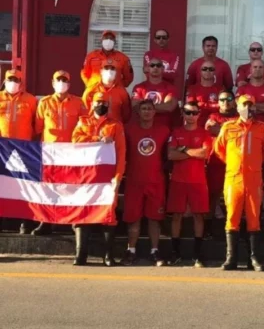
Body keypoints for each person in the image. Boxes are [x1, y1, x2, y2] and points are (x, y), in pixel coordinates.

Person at [214, 94, 264, 271]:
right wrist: (235, 165)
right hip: (234, 179)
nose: (247, 107)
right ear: (237, 107)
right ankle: (231, 258)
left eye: (250, 104)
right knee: (232, 217)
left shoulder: (262, 128)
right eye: (244, 104)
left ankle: (254, 258)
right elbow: (219, 150)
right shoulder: (228, 127)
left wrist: (251, 165)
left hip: (254, 179)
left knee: (254, 218)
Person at [71, 92, 126, 266]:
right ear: (91, 104)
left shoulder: (115, 125)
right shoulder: (83, 122)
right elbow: (75, 141)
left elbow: (121, 153)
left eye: (103, 102)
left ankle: (108, 256)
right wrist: (98, 138)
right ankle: (81, 255)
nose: (100, 105)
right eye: (98, 102)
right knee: (82, 214)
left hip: (106, 178)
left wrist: (118, 176)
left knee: (108, 215)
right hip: (85, 178)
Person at [32, 70, 87, 236]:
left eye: (65, 80)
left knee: (71, 188)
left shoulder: (79, 102)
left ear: (69, 84)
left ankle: (72, 222)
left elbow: (85, 126)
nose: (62, 83)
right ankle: (46, 222)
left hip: (72, 151)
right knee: (48, 188)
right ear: (53, 83)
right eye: (59, 80)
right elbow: (38, 128)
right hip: (50, 153)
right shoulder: (44, 103)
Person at [120, 100, 170, 267]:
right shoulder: (129, 129)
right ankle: (131, 250)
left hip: (156, 181)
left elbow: (167, 156)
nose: (147, 112)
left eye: (150, 109)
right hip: (134, 181)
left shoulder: (163, 131)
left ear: (155, 112)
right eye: (144, 109)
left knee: (154, 218)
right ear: (138, 112)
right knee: (133, 218)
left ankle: (154, 251)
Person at [167, 101, 212, 268]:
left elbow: (204, 153)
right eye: (188, 112)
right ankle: (175, 252)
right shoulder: (176, 132)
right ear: (183, 114)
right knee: (177, 216)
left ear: (199, 115)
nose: (191, 116)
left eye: (194, 113)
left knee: (198, 216)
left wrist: (184, 149)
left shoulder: (204, 133)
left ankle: (197, 254)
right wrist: (192, 152)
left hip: (198, 180)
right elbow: (171, 155)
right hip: (178, 180)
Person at [0, 69, 37, 234]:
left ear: (21, 83)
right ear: (5, 81)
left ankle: (25, 222)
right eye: (10, 79)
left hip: (24, 148)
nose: (13, 82)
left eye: (16, 79)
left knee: (25, 184)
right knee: (2, 184)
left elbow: (37, 125)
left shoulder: (31, 100)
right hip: (2, 147)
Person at [205, 90, 238, 231]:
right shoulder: (213, 116)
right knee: (213, 193)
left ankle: (233, 226)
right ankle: (209, 227)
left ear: (234, 101)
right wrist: (231, 132)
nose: (226, 102)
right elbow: (212, 129)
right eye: (222, 99)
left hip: (235, 160)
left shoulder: (239, 118)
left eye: (229, 99)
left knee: (235, 194)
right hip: (217, 160)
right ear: (218, 102)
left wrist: (222, 130)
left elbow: (240, 135)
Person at [131, 57, 178, 129]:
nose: (155, 67)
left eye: (158, 65)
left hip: (163, 128)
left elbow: (169, 106)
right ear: (147, 69)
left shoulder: (170, 88)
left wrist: (145, 107)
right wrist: (160, 106)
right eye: (152, 65)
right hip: (142, 128)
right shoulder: (139, 87)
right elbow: (134, 105)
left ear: (163, 69)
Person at [235, 59, 264, 133]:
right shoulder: (242, 89)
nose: (257, 69)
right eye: (255, 67)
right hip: (245, 130)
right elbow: (239, 106)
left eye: (260, 67)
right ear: (250, 70)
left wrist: (251, 105)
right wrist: (263, 106)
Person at [185, 60, 223, 128]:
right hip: (196, 125)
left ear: (215, 72)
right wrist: (214, 105)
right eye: (204, 69)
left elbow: (222, 107)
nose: (207, 71)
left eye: (211, 69)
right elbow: (191, 107)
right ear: (200, 71)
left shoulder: (220, 89)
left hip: (214, 126)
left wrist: (202, 104)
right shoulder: (192, 88)